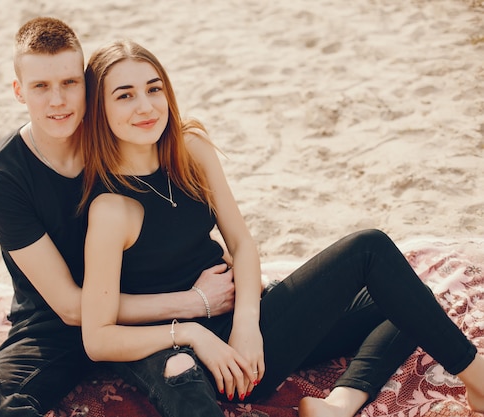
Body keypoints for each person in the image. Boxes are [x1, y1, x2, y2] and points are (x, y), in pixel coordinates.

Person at [78, 38, 484, 417]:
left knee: (399, 288)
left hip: (247, 331)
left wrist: (247, 326)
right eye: (125, 95)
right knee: (180, 373)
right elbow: (98, 339)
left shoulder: (190, 151)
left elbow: (241, 242)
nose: (146, 106)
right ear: (100, 109)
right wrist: (194, 335)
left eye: (153, 89)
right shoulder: (111, 208)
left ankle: (342, 403)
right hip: (180, 350)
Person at [0, 17, 236, 417]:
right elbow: (70, 306)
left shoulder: (116, 135)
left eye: (70, 83)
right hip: (54, 323)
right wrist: (193, 302)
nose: (58, 101)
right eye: (41, 86)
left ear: (88, 86)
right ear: (19, 91)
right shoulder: (3, 175)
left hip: (140, 305)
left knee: (181, 376)